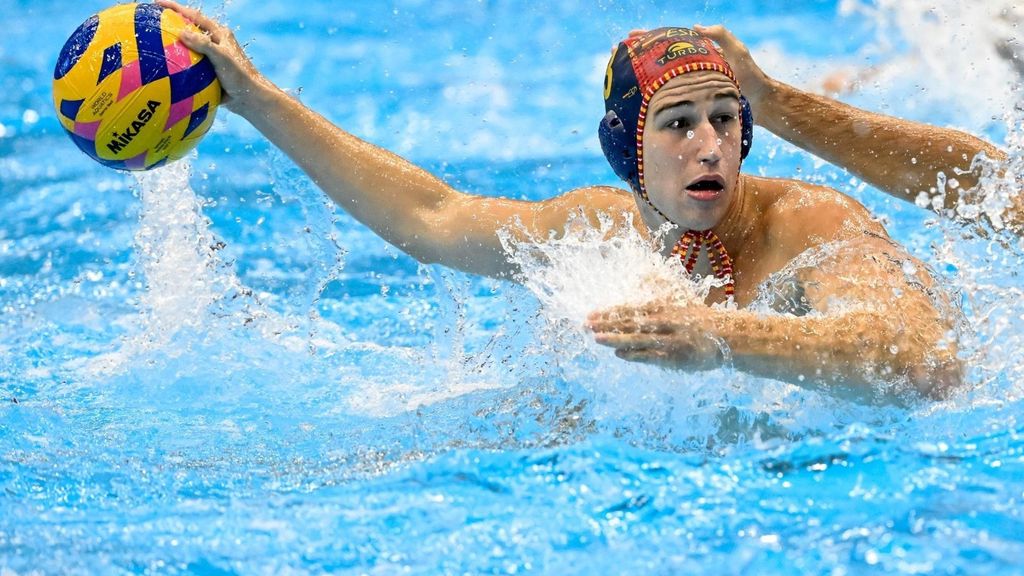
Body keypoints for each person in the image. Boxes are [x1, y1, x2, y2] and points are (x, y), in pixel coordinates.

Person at [156, 1, 963, 403]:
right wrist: (257, 101)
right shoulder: (598, 226)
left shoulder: (809, 224)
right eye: (679, 124)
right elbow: (430, 220)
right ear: (625, 151)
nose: (710, 144)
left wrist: (719, 336)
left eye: (725, 119)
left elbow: (922, 361)